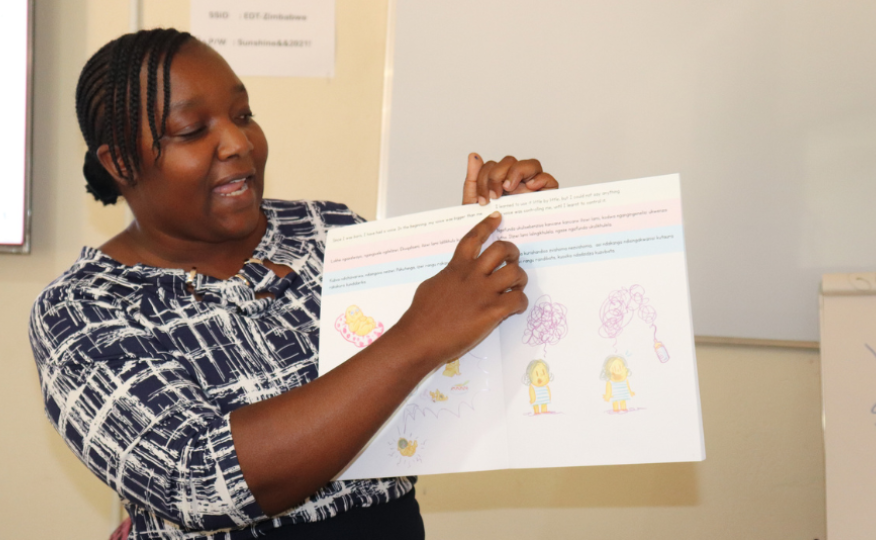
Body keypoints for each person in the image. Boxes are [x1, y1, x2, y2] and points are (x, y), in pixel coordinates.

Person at [29, 28, 559, 539]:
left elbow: (434, 387)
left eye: (244, 115)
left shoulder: (330, 231)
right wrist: (416, 336)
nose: (238, 142)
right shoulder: (81, 309)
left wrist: (497, 240)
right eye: (193, 130)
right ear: (120, 161)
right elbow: (195, 479)